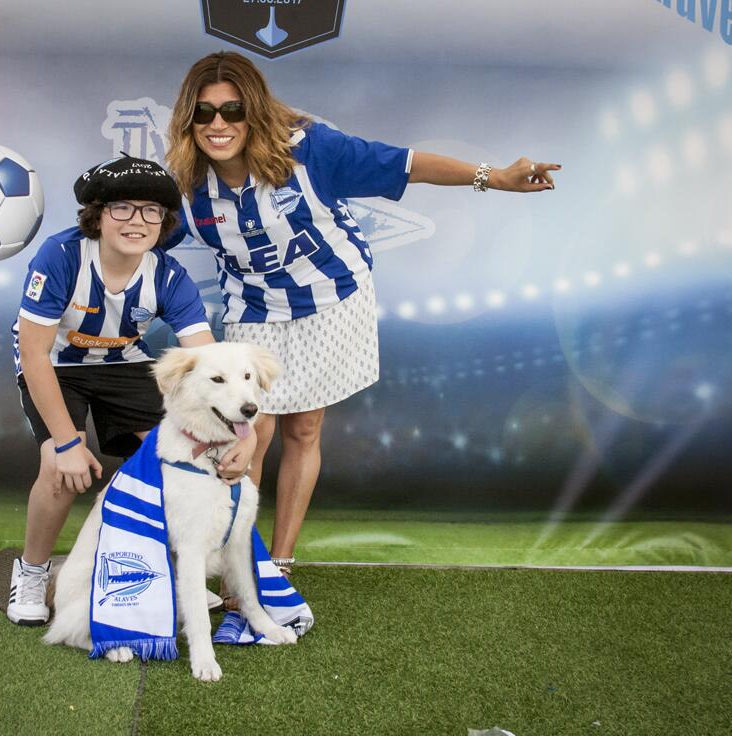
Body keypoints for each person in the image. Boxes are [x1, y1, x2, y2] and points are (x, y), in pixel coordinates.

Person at [165, 51, 560, 576]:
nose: (218, 124)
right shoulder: (186, 185)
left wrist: (495, 177)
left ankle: (278, 563)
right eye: (204, 112)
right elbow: (139, 235)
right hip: (255, 309)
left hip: (333, 300)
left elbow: (407, 164)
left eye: (232, 110)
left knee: (303, 431)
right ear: (188, 120)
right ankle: (239, 560)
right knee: (249, 435)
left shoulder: (313, 152)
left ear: (254, 111)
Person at [7, 155, 255, 626]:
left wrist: (245, 435)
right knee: (59, 468)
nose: (136, 221)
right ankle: (34, 571)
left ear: (163, 223)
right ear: (97, 215)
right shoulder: (60, 257)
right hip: (56, 365)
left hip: (123, 363)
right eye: (122, 208)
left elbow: (209, 362)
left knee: (182, 459)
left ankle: (171, 569)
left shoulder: (168, 275)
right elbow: (35, 355)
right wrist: (66, 443)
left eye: (150, 211)